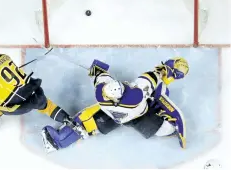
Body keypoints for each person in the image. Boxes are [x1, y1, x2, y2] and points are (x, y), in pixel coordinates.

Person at [41, 57, 189, 153]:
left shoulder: (101, 94)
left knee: (83, 121)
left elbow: (101, 78)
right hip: (140, 116)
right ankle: (167, 127)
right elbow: (150, 79)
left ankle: (57, 142)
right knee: (165, 128)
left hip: (113, 116)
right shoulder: (135, 95)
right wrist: (164, 70)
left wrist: (97, 70)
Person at [0, 42, 71, 128]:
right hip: (31, 92)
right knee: (46, 104)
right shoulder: (4, 57)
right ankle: (69, 121)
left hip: (16, 106)